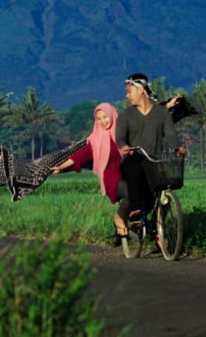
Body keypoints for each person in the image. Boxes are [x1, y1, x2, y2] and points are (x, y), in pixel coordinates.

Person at [115, 73, 186, 231]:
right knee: (134, 168)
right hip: (132, 160)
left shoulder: (162, 114)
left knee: (164, 190)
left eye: (129, 91)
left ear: (140, 90)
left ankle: (157, 229)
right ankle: (135, 211)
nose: (127, 96)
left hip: (154, 161)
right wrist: (124, 147)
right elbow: (119, 138)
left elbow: (171, 136)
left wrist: (177, 148)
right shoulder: (125, 115)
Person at [49, 102, 127, 235]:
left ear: (113, 115)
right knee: (131, 191)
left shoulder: (124, 133)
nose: (103, 121)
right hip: (112, 179)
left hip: (129, 174)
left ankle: (156, 231)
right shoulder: (96, 140)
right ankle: (119, 217)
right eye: (99, 118)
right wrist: (60, 167)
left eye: (105, 117)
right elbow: (78, 157)